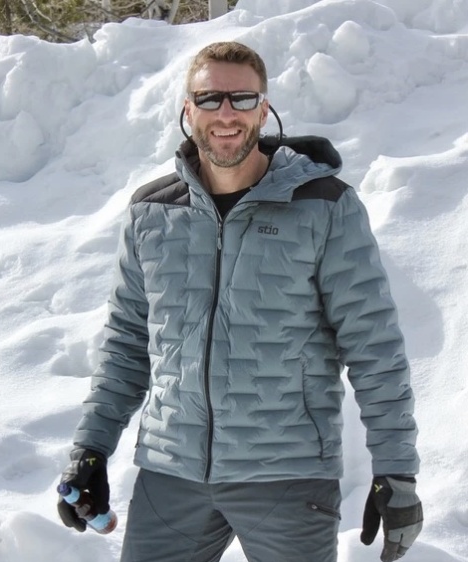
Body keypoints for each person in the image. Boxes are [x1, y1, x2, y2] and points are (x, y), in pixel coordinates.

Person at [57, 41, 423, 562]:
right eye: (209, 99)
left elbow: (374, 346)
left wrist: (397, 470)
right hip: (171, 473)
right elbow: (126, 346)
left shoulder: (324, 207)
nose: (225, 114)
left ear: (264, 108)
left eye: (242, 98)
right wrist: (90, 450)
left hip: (287, 477)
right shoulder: (153, 213)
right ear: (188, 110)